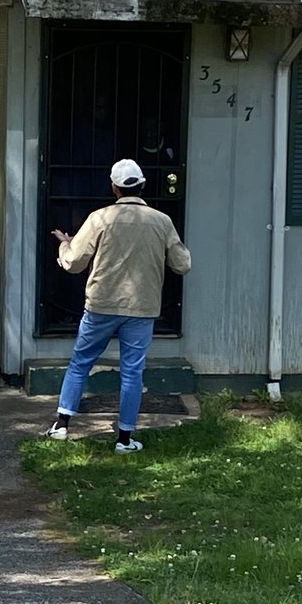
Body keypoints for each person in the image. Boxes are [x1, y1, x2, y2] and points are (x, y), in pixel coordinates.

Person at [43, 158, 191, 453]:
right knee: (132, 372)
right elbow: (182, 264)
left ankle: (61, 425)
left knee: (80, 363)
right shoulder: (162, 221)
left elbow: (73, 263)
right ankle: (124, 439)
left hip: (101, 304)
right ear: (143, 185)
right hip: (142, 307)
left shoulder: (100, 218)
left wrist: (64, 244)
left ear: (114, 188)